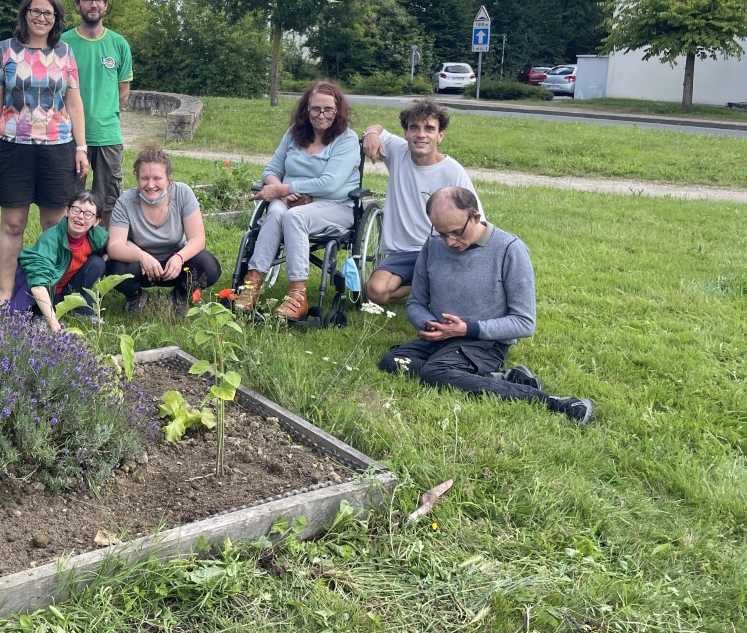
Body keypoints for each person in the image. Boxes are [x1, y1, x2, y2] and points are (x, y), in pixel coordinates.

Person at [377, 187, 594, 423]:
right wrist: (430, 325)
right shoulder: (432, 246)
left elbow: (524, 323)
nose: (449, 241)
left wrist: (467, 329)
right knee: (391, 361)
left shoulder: (510, 249)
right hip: (440, 338)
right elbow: (416, 302)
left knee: (434, 372)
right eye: (441, 233)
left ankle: (550, 401)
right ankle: (500, 377)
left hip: (484, 343)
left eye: (456, 232)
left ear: (476, 217)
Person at [0, 0, 91, 304]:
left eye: (48, 13)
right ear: (25, 14)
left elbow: (75, 104)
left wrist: (81, 148)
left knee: (54, 223)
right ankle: (5, 290)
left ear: (56, 18)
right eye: (35, 11)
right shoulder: (4, 51)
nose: (41, 18)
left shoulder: (65, 54)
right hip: (13, 147)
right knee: (13, 223)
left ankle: (48, 287)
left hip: (58, 148)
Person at [233, 79, 361, 320]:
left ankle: (297, 296)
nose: (321, 115)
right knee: (276, 213)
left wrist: (284, 189)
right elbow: (271, 170)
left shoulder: (346, 140)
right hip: (290, 199)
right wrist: (278, 188)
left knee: (293, 216)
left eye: (328, 110)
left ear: (338, 110)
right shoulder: (294, 134)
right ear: (306, 109)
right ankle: (252, 285)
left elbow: (331, 183)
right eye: (315, 109)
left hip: (336, 205)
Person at [360, 99, 481, 306]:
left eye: (429, 129)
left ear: (440, 135)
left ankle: (432, 285)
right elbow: (377, 129)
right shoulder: (398, 152)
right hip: (402, 251)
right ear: (406, 133)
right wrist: (370, 134)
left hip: (440, 250)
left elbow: (476, 221)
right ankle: (426, 286)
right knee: (376, 292)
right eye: (414, 128)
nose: (421, 134)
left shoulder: (453, 171)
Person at [106, 145, 222, 311]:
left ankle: (180, 295)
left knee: (209, 266)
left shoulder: (183, 193)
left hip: (176, 264)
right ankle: (136, 296)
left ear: (168, 178)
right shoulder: (125, 202)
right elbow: (114, 246)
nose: (150, 184)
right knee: (114, 268)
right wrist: (141, 256)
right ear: (137, 178)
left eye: (157, 178)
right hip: (141, 267)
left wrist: (179, 257)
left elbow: (198, 239)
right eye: (144, 178)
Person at [61, 0, 133, 221]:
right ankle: (71, 254)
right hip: (69, 136)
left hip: (107, 135)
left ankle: (105, 254)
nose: (93, 4)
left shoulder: (119, 43)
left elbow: (123, 92)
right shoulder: (63, 44)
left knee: (109, 202)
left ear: (106, 5)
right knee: (69, 201)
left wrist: (104, 114)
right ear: (77, 4)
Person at [11, 190, 109, 332]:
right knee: (47, 279)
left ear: (96, 221)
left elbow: (115, 245)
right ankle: (38, 314)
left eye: (88, 214)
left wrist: (109, 256)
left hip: (65, 290)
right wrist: (53, 323)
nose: (80, 217)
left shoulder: (95, 236)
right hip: (44, 293)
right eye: (76, 210)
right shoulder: (52, 239)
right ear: (67, 211)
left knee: (97, 263)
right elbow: (38, 284)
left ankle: (82, 309)